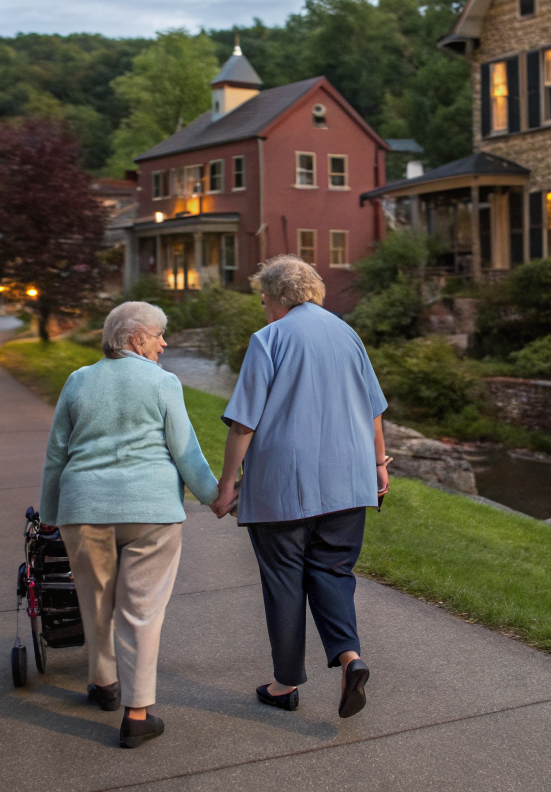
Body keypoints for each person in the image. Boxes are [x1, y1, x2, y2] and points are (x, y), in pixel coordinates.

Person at [211, 255, 389, 718]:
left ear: (276, 298)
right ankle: (351, 658)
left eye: (264, 300)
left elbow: (243, 422)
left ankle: (285, 683)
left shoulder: (269, 338)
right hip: (349, 483)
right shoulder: (348, 334)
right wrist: (379, 466)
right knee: (333, 573)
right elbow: (373, 408)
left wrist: (228, 484)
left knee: (284, 582)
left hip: (282, 489)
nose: (264, 308)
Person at [40, 300, 219, 748]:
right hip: (151, 511)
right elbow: (186, 451)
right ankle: (137, 714)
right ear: (135, 338)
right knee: (141, 611)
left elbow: (56, 455)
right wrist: (217, 498)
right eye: (159, 334)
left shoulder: (78, 381)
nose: (165, 342)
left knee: (95, 600)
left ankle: (104, 684)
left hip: (84, 509)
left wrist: (48, 516)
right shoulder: (162, 382)